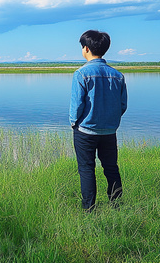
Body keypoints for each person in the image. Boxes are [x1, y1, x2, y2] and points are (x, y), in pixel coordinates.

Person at [69, 30, 127, 211]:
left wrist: (74, 122)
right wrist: (110, 121)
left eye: (82, 47)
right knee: (111, 168)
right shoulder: (117, 75)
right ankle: (116, 206)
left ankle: (89, 210)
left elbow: (77, 105)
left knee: (87, 170)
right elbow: (122, 105)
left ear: (86, 48)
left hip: (85, 131)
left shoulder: (81, 73)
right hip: (109, 131)